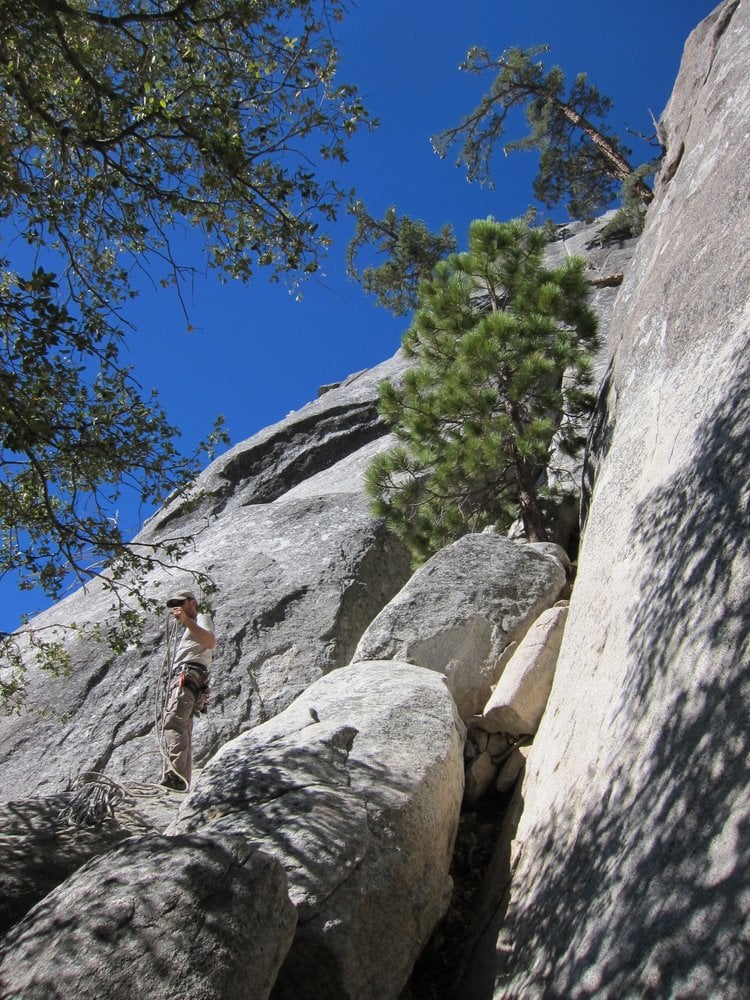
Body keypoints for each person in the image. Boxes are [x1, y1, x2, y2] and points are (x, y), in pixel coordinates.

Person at [159, 589, 216, 791]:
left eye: (180, 603)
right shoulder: (189, 626)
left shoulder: (201, 618)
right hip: (187, 677)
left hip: (187, 675)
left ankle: (176, 776)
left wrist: (186, 620)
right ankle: (181, 777)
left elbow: (210, 641)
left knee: (173, 722)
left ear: (192, 603)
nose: (177, 607)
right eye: (174, 604)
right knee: (181, 726)